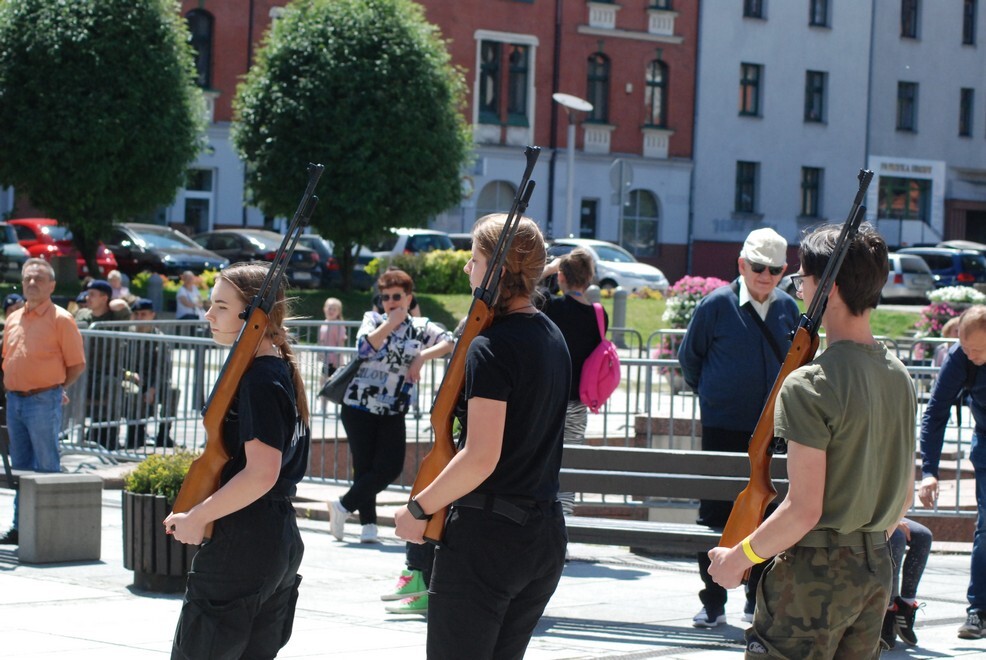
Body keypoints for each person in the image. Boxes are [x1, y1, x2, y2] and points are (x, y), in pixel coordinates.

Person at [708, 223, 915, 658]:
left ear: (828, 288)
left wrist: (737, 560)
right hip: (876, 570)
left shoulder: (811, 384)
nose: (798, 288)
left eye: (802, 278)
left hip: (812, 580)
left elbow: (803, 510)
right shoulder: (899, 376)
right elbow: (904, 500)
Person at [394, 214, 571, 659]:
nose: (466, 268)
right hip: (544, 533)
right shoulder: (552, 335)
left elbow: (480, 457)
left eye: (474, 259)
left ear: (498, 271)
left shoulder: (491, 347)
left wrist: (418, 508)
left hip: (489, 539)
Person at [165, 261, 310, 659]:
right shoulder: (277, 370)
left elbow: (261, 474)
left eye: (221, 306)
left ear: (253, 315)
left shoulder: (261, 378)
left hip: (243, 541)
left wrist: (197, 516)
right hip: (274, 538)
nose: (208, 315)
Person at [676, 227, 800, 628]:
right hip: (723, 427)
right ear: (742, 265)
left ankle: (756, 598)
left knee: (769, 514)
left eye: (775, 269)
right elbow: (690, 360)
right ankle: (712, 601)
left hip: (774, 431)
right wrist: (716, 397)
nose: (766, 276)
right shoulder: (715, 305)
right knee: (715, 512)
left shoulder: (789, 309)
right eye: (759, 267)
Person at [329, 269, 453, 544]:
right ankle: (368, 525)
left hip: (394, 408)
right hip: (359, 405)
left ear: (408, 297)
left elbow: (450, 341)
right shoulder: (373, 319)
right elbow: (363, 349)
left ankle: (342, 506)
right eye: (385, 297)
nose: (391, 302)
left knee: (390, 467)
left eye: (397, 296)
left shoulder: (420, 327)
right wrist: (389, 324)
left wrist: (422, 356)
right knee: (364, 466)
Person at [0, 258, 86, 545]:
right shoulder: (14, 318)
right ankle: (21, 527)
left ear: (52, 285)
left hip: (42, 400)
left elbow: (76, 364)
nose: (32, 283)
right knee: (20, 469)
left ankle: (48, 531)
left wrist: (55, 388)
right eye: (28, 278)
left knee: (46, 465)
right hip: (15, 401)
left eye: (39, 278)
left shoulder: (61, 319)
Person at [919, 303, 986, 640]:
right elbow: (936, 411)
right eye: (965, 346)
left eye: (977, 350)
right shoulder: (962, 357)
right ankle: (978, 610)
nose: (970, 354)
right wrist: (929, 471)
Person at [539, 248, 608, 516]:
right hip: (579, 402)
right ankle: (564, 521)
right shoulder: (599, 315)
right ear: (589, 279)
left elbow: (525, 289)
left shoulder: (551, 307)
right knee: (567, 466)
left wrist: (547, 269)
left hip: (548, 400)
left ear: (561, 277)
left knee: (541, 461)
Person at [75, 279, 132, 450]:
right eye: (87, 294)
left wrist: (113, 303)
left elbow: (123, 307)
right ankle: (68, 434)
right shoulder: (83, 315)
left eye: (92, 295)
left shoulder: (115, 317)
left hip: (107, 373)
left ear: (104, 298)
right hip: (83, 372)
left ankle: (110, 437)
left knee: (113, 387)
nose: (87, 298)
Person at [122, 298, 176, 449]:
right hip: (131, 379)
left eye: (143, 314)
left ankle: (164, 435)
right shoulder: (126, 335)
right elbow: (118, 363)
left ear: (152, 315)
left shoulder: (160, 338)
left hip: (154, 380)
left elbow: (163, 368)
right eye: (136, 314)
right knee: (133, 393)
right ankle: (135, 435)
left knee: (172, 391)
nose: (139, 318)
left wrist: (153, 388)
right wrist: (128, 375)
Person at [880, 517, 933, 649]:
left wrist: (896, 517)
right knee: (897, 536)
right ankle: (887, 610)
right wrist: (893, 520)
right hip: (867, 514)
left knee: (923, 536)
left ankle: (905, 606)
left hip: (889, 513)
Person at [317, 297, 347, 411]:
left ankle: (340, 410)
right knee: (323, 383)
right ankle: (323, 408)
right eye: (329, 308)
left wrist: (338, 360)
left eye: (334, 309)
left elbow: (341, 343)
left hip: (335, 361)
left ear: (338, 312)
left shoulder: (339, 325)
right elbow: (321, 341)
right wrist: (319, 353)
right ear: (324, 309)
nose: (331, 311)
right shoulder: (324, 323)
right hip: (326, 360)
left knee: (337, 385)